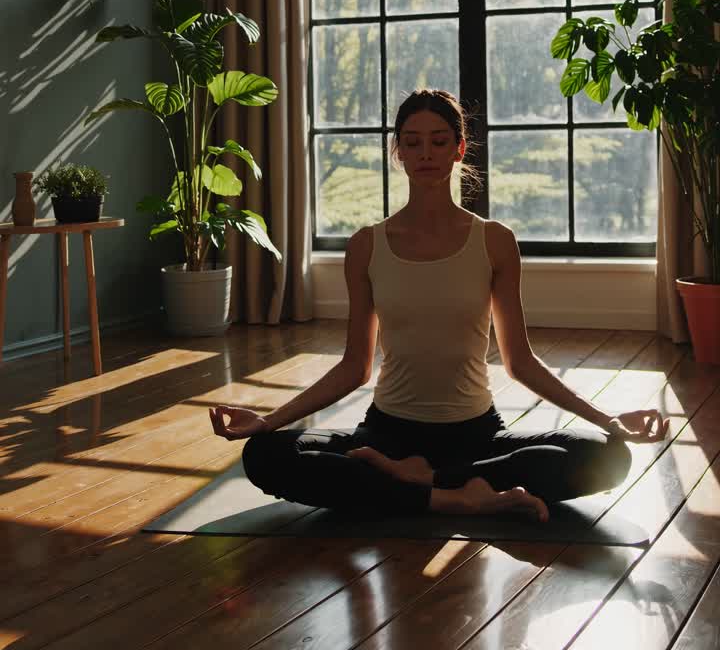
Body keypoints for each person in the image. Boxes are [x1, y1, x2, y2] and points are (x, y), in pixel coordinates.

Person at [210, 88, 669, 524]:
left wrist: (607, 419)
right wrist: (269, 421)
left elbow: (521, 362)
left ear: (459, 149)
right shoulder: (366, 246)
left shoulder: (495, 241)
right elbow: (354, 368)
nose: (425, 153)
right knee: (265, 454)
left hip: (476, 436)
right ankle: (455, 496)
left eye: (438, 141)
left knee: (606, 456)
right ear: (399, 153)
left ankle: (423, 485)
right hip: (386, 436)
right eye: (412, 142)